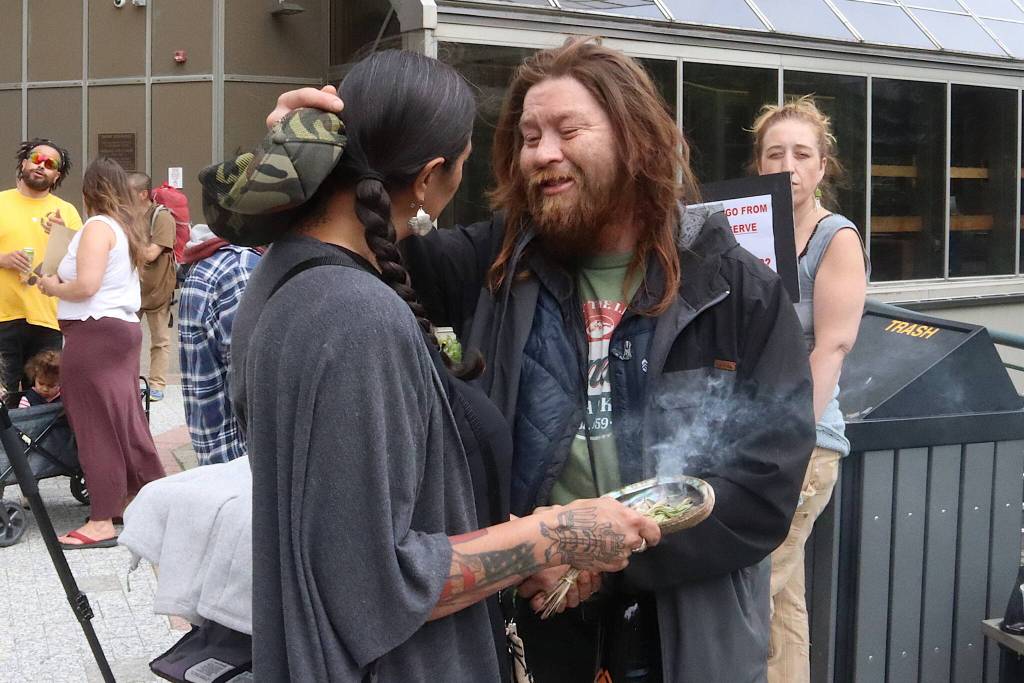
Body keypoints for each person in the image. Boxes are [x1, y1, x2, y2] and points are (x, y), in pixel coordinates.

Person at [271, 38, 816, 682]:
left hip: (683, 633)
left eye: (567, 129)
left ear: (634, 138)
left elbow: (765, 487)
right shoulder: (497, 264)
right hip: (529, 623)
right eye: (529, 136)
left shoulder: (734, 287)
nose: (543, 153)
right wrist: (305, 162)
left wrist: (594, 562)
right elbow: (354, 239)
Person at [208, 50, 661, 681]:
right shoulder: (354, 314)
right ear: (428, 177)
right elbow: (374, 585)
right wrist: (556, 532)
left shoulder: (293, 275)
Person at [751, 96, 868, 683]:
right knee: (782, 603)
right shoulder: (748, 230)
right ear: (760, 165)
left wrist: (788, 446)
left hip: (804, 445)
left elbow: (832, 347)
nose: (788, 165)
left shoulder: (835, 239)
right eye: (776, 154)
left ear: (823, 166)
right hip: (754, 434)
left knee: (751, 590)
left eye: (802, 153)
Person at [38, 157, 166, 549]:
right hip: (118, 332)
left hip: (93, 334)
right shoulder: (122, 227)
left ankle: (101, 520)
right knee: (123, 419)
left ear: (88, 190)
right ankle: (141, 499)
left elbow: (87, 285)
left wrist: (51, 287)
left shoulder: (97, 227)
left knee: (95, 426)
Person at [0, 139, 83, 396]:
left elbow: (80, 264)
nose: (41, 166)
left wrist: (62, 235)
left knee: (45, 399)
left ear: (56, 174)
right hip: (3, 317)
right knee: (6, 401)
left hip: (47, 319)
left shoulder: (66, 212)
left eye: (50, 164)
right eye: (36, 159)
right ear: (24, 163)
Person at [178, 223, 261, 465]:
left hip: (223, 462)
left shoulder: (217, 261)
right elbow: (253, 389)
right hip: (244, 466)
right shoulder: (240, 270)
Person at [127, 172, 177, 402]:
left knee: (159, 340)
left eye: (127, 192)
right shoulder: (125, 216)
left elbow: (150, 253)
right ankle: (128, 382)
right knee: (126, 339)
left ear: (142, 194)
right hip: (129, 289)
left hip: (157, 289)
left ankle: (157, 384)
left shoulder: (161, 216)